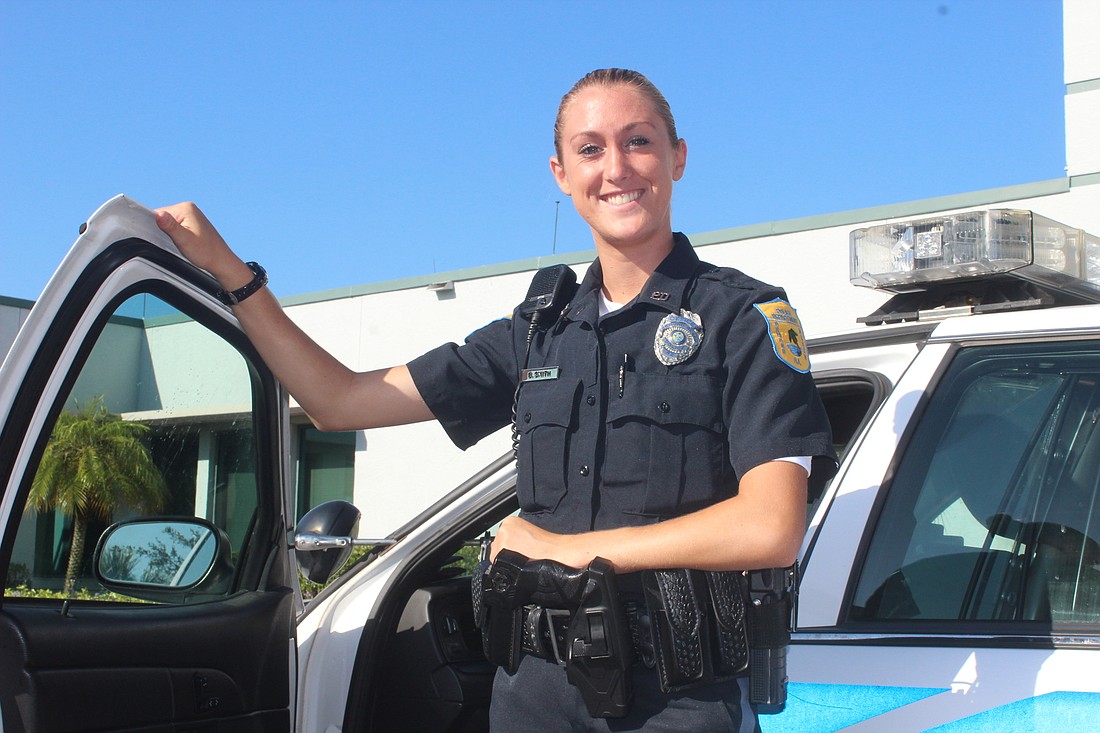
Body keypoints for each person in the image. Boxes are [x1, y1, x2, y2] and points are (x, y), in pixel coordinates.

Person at [157, 67, 836, 733]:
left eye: (640, 141)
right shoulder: (536, 332)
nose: (617, 167)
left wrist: (573, 550)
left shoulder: (743, 316)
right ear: (561, 175)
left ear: (677, 157)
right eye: (590, 149)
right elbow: (339, 401)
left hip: (679, 700)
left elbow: (770, 526)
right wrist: (233, 273)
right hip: (534, 689)